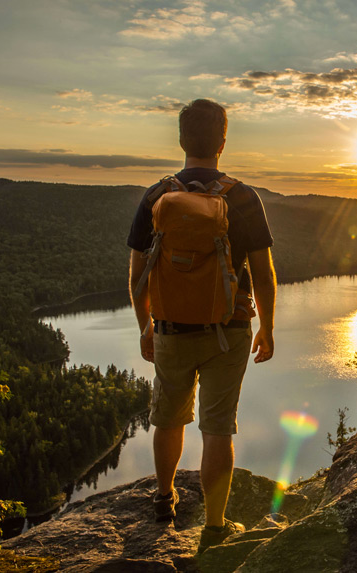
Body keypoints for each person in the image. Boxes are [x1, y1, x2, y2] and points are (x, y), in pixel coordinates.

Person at [127, 99, 276, 552]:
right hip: (229, 330)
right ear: (223, 141)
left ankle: (164, 498)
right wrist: (267, 327)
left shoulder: (156, 196)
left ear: (180, 140)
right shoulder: (243, 196)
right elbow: (264, 274)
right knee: (217, 428)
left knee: (168, 417)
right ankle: (214, 525)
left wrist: (146, 326)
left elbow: (138, 277)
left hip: (170, 329)